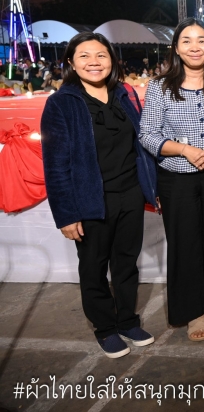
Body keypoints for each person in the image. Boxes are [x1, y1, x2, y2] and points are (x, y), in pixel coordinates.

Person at [41, 32, 158, 358]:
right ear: (71, 63)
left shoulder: (124, 93)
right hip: (90, 199)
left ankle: (128, 321)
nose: (94, 62)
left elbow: (141, 146)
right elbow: (55, 164)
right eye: (84, 56)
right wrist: (66, 214)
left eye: (101, 55)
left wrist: (152, 188)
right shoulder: (62, 103)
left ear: (112, 60)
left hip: (129, 194)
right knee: (93, 267)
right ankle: (105, 328)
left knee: (126, 264)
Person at [139, 18, 204, 342]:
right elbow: (147, 134)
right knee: (184, 243)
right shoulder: (159, 87)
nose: (194, 47)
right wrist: (184, 149)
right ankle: (193, 312)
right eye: (186, 40)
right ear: (176, 47)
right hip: (176, 178)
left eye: (201, 40)